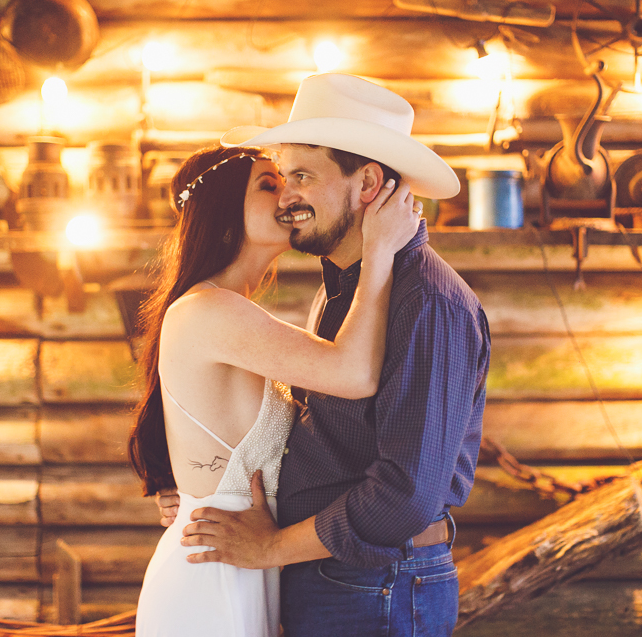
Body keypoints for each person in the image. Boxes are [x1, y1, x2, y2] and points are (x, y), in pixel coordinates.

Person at [170, 73, 492, 637]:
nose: (287, 196)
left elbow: (406, 495)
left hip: (377, 583)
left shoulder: (427, 303)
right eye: (278, 177)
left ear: (367, 183)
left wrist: (270, 547)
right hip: (329, 575)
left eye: (301, 176)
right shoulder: (341, 291)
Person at [129, 143, 422, 637]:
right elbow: (353, 375)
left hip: (242, 562)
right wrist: (381, 253)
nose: (287, 195)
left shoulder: (232, 312)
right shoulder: (208, 311)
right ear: (223, 213)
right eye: (270, 184)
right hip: (212, 574)